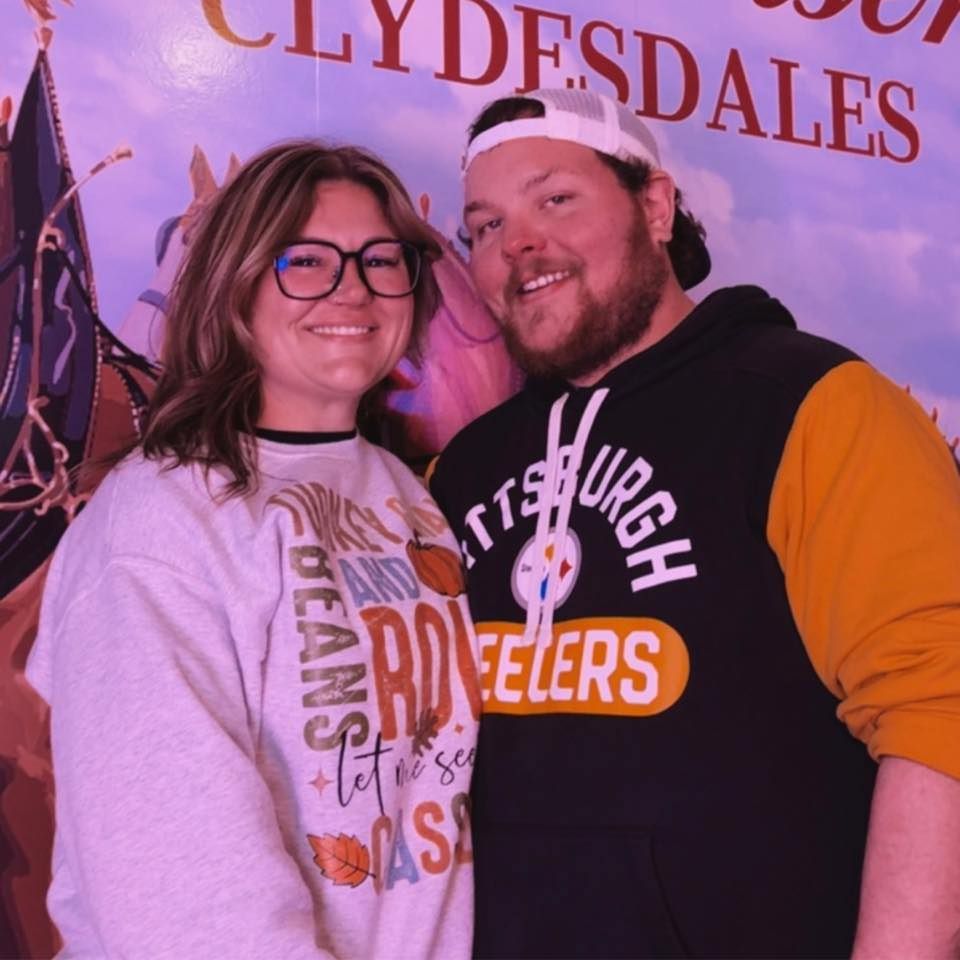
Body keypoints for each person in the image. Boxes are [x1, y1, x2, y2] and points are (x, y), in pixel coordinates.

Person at [428, 88, 960, 959]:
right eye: (484, 226)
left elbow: (939, 711)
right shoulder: (467, 467)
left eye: (555, 198)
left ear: (655, 206)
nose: (517, 243)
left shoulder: (814, 405)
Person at [27, 141, 481, 959]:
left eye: (382, 260)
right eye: (305, 261)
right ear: (234, 284)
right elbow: (184, 901)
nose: (352, 288)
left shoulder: (408, 496)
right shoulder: (162, 516)